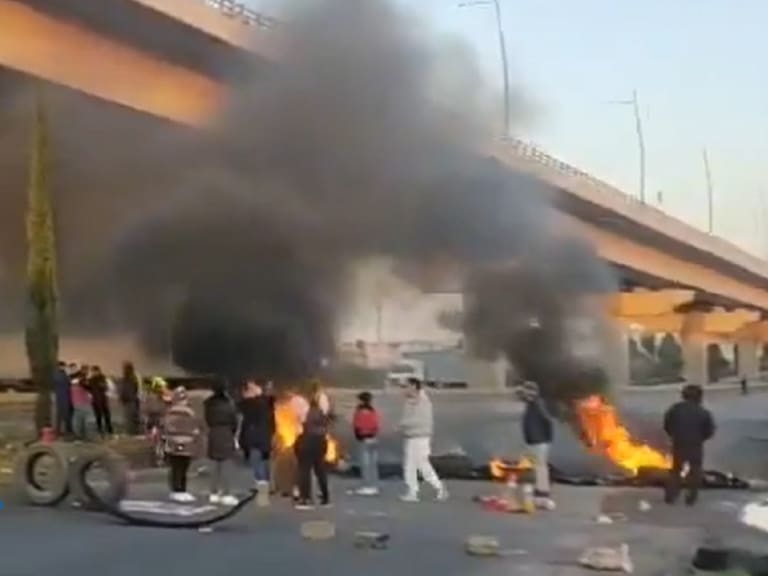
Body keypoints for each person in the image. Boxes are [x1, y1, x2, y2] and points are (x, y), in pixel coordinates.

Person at [663, 384, 716, 506]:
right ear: (699, 397)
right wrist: (700, 439)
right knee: (695, 471)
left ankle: (671, 495)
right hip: (695, 445)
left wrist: (674, 436)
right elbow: (709, 430)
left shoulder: (675, 410)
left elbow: (667, 425)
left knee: (676, 470)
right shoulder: (703, 412)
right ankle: (691, 497)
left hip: (679, 443)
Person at [399, 377, 447, 502]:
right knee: (410, 465)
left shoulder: (423, 402)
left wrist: (403, 424)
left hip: (421, 437)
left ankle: (438, 487)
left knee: (422, 464)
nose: (404, 390)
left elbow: (420, 420)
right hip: (411, 436)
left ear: (414, 387)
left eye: (406, 386)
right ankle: (412, 491)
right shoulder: (410, 401)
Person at [163, 386, 201, 503]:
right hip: (187, 442)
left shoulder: (170, 411)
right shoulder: (190, 412)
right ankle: (181, 490)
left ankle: (177, 490)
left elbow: (166, 426)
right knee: (183, 467)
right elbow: (195, 428)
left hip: (174, 442)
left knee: (176, 467)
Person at [204, 381, 239, 506]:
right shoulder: (229, 403)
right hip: (226, 432)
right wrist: (233, 432)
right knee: (226, 464)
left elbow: (207, 419)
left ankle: (213, 492)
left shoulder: (208, 403)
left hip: (213, 432)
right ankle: (226, 493)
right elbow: (234, 420)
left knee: (214, 464)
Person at [238, 380, 276, 494]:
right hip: (265, 437)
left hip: (256, 438)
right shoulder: (268, 404)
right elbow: (273, 424)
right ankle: (267, 486)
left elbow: (243, 407)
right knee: (264, 462)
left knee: (257, 463)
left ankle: (262, 490)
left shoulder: (254, 404)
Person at [518, 381, 553, 501]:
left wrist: (546, 437)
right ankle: (540, 488)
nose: (524, 394)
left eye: (526, 391)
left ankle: (543, 490)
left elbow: (547, 420)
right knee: (537, 465)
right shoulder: (531, 404)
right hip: (534, 440)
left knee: (540, 465)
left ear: (533, 392)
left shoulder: (538, 404)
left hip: (539, 440)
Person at [295, 393, 331, 510]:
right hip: (320, 443)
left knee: (304, 471)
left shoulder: (306, 413)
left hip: (307, 443)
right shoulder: (322, 415)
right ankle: (325, 498)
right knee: (320, 471)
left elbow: (300, 429)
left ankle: (305, 499)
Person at [352, 391, 380, 495]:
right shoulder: (373, 411)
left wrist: (358, 435)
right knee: (373, 465)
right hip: (374, 438)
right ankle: (374, 485)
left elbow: (356, 425)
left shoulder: (359, 411)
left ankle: (367, 486)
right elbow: (376, 425)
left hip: (364, 439)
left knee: (365, 464)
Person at [87, 366, 113, 437]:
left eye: (95, 371)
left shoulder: (103, 378)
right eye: (93, 371)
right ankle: (100, 428)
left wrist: (102, 386)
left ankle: (109, 428)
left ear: (98, 371)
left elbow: (106, 387)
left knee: (106, 414)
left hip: (103, 399)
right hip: (95, 400)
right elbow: (89, 389)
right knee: (98, 415)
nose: (94, 373)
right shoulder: (91, 379)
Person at [119, 362, 141, 435]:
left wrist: (122, 397)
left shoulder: (129, 378)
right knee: (132, 417)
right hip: (132, 400)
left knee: (129, 417)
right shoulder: (133, 377)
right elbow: (136, 389)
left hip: (130, 400)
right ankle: (133, 431)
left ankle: (131, 432)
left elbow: (126, 389)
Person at [70, 368, 92, 440]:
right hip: (84, 404)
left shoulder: (73, 384)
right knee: (85, 421)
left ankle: (79, 435)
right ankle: (85, 436)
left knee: (78, 420)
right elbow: (89, 388)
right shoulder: (82, 383)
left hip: (76, 404)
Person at [53, 361, 72, 437]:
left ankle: (66, 430)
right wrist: (67, 377)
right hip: (61, 395)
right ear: (59, 366)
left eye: (64, 366)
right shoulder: (57, 374)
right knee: (61, 414)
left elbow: (68, 382)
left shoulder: (63, 373)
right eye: (63, 366)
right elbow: (63, 381)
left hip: (65, 395)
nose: (64, 367)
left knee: (66, 414)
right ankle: (59, 431)